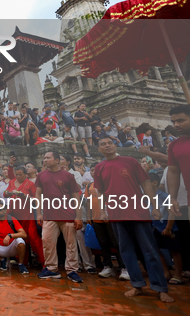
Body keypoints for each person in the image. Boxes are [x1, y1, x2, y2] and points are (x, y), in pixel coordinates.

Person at [95, 136, 173, 303]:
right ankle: (137, 285)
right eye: (103, 144)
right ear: (99, 149)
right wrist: (102, 211)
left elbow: (145, 184)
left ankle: (160, 288)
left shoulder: (130, 161)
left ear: (115, 145)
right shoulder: (99, 167)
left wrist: (155, 207)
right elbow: (100, 192)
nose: (107, 145)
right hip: (116, 214)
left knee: (150, 250)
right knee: (126, 251)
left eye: (110, 143)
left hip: (138, 212)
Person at [35, 151, 84, 283]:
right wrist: (39, 213)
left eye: (48, 157)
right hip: (49, 215)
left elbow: (76, 196)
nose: (45, 160)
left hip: (67, 214)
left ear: (57, 160)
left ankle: (72, 270)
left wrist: (78, 216)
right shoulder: (41, 175)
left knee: (71, 244)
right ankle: (51, 268)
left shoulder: (68, 176)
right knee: (47, 241)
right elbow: (38, 195)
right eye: (44, 158)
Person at [5, 166, 43, 265]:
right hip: (14, 214)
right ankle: (22, 261)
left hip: (28, 214)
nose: (18, 176)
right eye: (16, 174)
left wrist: (25, 196)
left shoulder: (30, 184)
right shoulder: (12, 182)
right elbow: (5, 193)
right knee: (19, 238)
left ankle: (44, 262)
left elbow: (36, 200)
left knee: (33, 238)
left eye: (20, 174)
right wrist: (8, 193)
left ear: (25, 174)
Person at [0, 204, 29, 274]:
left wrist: (10, 235)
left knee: (20, 241)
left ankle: (21, 264)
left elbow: (24, 234)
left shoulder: (12, 219)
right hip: (0, 247)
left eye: (0, 209)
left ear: (6, 210)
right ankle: (2, 259)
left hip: (12, 246)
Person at [167, 105, 190, 229]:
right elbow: (173, 172)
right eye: (173, 122)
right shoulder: (174, 145)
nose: (176, 125)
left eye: (180, 120)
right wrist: (173, 198)